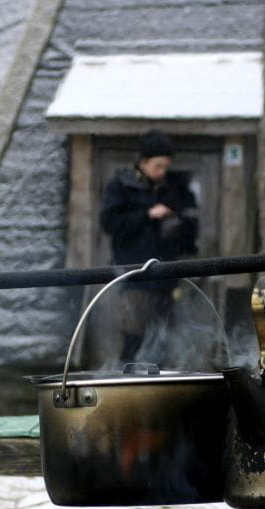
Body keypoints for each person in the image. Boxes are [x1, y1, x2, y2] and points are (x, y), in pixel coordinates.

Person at [100, 129, 198, 363]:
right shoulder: (121, 185)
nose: (162, 172)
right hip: (134, 273)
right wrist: (147, 215)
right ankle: (126, 379)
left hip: (166, 274)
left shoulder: (173, 187)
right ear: (143, 162)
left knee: (163, 335)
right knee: (134, 333)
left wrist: (178, 223)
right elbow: (110, 223)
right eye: (157, 166)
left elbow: (190, 221)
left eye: (166, 166)